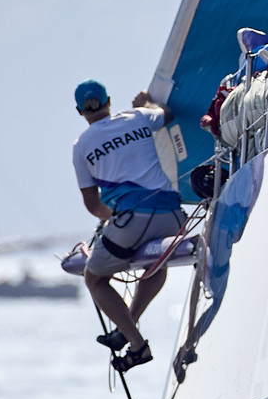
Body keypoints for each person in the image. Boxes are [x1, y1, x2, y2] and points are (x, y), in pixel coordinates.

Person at [71, 80, 186, 373]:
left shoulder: (81, 145)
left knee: (94, 278)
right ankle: (127, 328)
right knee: (155, 265)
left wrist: (113, 220)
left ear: (79, 111)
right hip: (173, 214)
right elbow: (167, 113)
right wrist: (145, 103)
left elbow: (93, 206)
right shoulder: (137, 117)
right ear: (108, 101)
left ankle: (137, 345)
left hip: (132, 219)